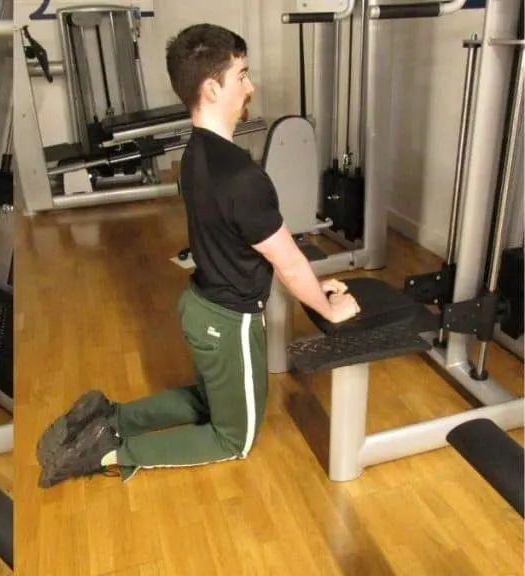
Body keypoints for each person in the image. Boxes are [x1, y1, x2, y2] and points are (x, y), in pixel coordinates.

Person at [36, 24, 361, 488]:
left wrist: (315, 286)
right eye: (242, 76)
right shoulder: (243, 178)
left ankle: (111, 415)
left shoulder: (195, 155)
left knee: (211, 398)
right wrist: (329, 307)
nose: (250, 87)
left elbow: (247, 245)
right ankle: (107, 451)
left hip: (201, 308)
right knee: (236, 438)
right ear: (212, 87)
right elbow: (288, 262)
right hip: (229, 322)